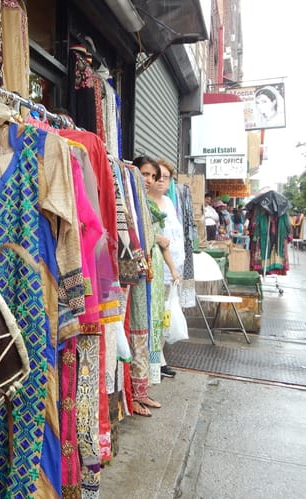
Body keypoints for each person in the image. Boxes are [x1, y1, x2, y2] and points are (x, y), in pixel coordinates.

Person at [130, 156, 182, 417]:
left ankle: (142, 391)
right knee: (138, 326)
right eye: (145, 174)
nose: (149, 180)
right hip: (138, 272)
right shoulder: (133, 202)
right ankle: (134, 395)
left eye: (153, 175)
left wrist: (173, 269)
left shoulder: (153, 204)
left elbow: (164, 244)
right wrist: (155, 237)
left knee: (150, 326)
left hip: (154, 268)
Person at [153, 158, 185, 379]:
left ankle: (160, 359)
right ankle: (158, 362)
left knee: (165, 316)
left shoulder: (168, 202)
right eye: (158, 176)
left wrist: (177, 267)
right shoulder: (146, 201)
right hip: (159, 268)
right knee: (157, 316)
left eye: (166, 177)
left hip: (173, 268)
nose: (162, 180)